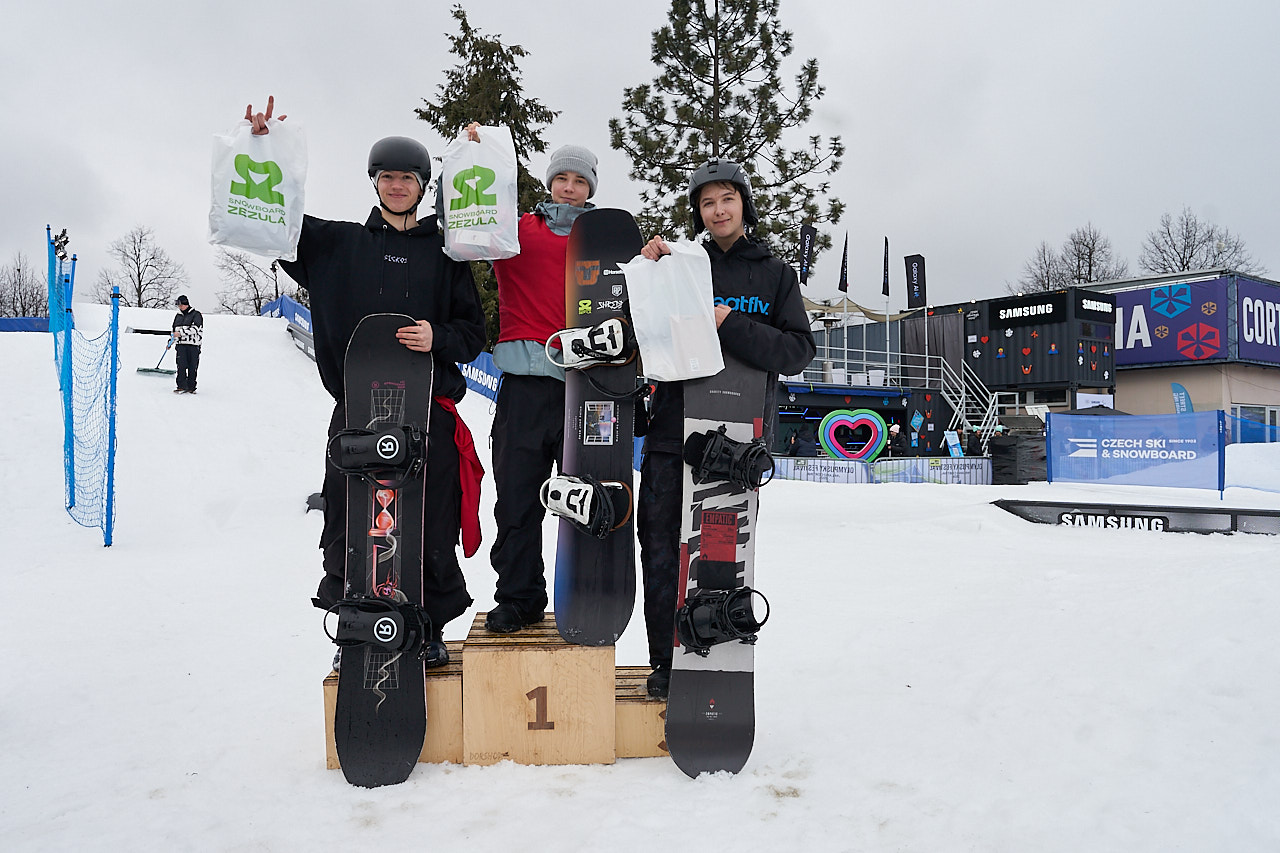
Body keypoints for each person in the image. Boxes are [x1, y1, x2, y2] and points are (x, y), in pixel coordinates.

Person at [248, 97, 487, 667]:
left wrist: (437, 336)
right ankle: (356, 627)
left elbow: (473, 334)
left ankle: (426, 627)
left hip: (427, 410)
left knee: (428, 524)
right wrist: (263, 149)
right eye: (388, 177)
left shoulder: (447, 255)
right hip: (358, 413)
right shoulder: (337, 244)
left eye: (408, 178)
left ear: (423, 186)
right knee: (353, 521)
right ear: (374, 182)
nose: (397, 186)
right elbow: (269, 218)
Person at [635, 158, 816, 698]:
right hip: (672, 432)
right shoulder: (682, 265)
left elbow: (797, 352)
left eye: (727, 199)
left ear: (744, 205)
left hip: (735, 441)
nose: (718, 210)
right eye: (707, 202)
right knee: (661, 547)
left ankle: (714, 654)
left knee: (719, 550)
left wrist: (730, 322)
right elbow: (650, 330)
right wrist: (650, 268)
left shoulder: (776, 274)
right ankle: (665, 659)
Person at [464, 128, 601, 633]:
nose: (569, 187)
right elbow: (463, 222)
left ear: (590, 189)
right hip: (523, 389)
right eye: (561, 178)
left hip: (586, 388)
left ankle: (588, 594)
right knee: (518, 499)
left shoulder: (606, 238)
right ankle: (519, 597)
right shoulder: (513, 230)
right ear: (549, 182)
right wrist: (472, 159)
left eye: (579, 181)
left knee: (587, 498)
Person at [171, 295, 203, 394]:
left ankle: (191, 387)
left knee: (192, 366)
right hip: (181, 345)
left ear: (186, 304)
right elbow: (174, 331)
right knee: (181, 365)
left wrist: (181, 333)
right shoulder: (178, 316)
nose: (180, 307)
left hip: (193, 345)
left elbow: (195, 328)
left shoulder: (196, 314)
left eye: (181, 305)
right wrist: (171, 341)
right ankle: (181, 386)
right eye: (178, 305)